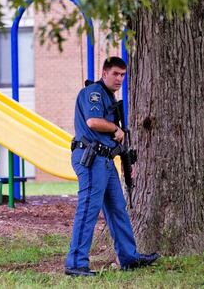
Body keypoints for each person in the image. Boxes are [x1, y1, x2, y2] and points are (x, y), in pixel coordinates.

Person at [64, 57, 160, 277]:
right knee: (88, 209)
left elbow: (114, 137)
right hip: (91, 159)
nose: (119, 79)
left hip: (106, 161)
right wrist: (116, 130)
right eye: (115, 73)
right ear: (104, 72)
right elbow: (93, 122)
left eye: (123, 75)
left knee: (118, 209)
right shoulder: (94, 93)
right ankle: (76, 263)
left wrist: (127, 163)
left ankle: (128, 257)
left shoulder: (109, 97)